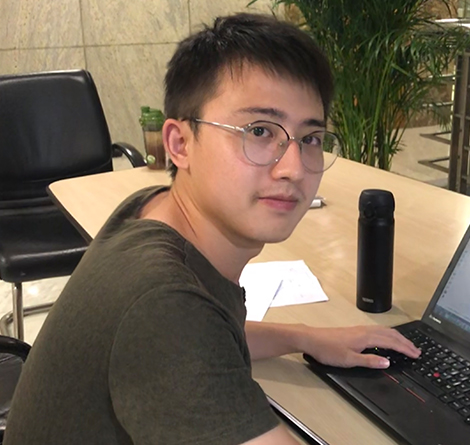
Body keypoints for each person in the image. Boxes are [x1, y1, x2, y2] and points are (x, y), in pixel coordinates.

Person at [4, 13, 420, 445]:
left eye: (310, 138)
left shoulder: (153, 211)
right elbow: (180, 328)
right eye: (259, 131)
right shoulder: (163, 303)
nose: (294, 168)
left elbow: (213, 332)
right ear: (180, 144)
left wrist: (307, 338)